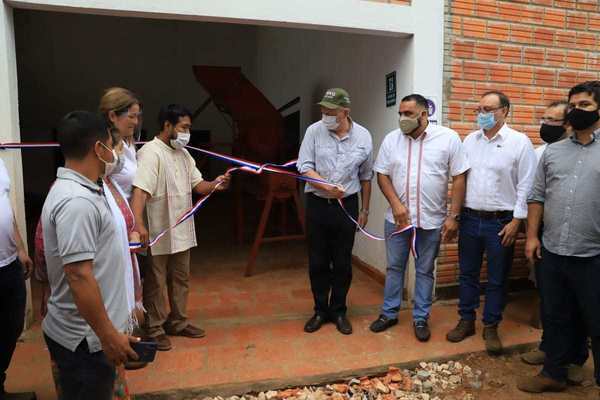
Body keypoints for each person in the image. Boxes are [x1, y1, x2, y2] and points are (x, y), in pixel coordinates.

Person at [41, 111, 139, 400]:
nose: (116, 153)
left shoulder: (91, 188)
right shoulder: (77, 202)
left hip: (95, 338)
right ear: (99, 149)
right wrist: (108, 336)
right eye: (112, 145)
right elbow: (79, 274)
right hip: (86, 342)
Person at [518, 81, 600, 394]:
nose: (576, 111)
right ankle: (553, 372)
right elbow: (537, 196)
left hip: (593, 254)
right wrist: (532, 238)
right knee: (554, 313)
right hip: (552, 250)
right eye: (573, 105)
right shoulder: (553, 152)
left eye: (585, 105)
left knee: (595, 320)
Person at [369, 94, 469, 342]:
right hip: (397, 220)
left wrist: (453, 216)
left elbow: (459, 177)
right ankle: (389, 313)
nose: (403, 118)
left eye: (408, 114)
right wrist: (396, 204)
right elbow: (381, 174)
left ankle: (420, 317)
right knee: (394, 268)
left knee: (424, 270)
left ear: (424, 115)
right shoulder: (392, 140)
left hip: (432, 220)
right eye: (400, 114)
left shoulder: (448, 138)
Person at [130, 104, 230, 351]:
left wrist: (216, 184)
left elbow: (199, 186)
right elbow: (140, 191)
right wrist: (139, 223)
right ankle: (154, 328)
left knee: (180, 278)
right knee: (155, 281)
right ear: (167, 125)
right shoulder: (150, 153)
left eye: (188, 128)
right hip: (157, 230)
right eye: (183, 127)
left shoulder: (184, 154)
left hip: (181, 229)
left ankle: (178, 322)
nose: (187, 133)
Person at [446, 90, 537, 355]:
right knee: (467, 274)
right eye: (479, 109)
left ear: (504, 111)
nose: (482, 114)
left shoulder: (519, 142)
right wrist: (455, 215)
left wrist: (517, 221)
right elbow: (460, 179)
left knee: (497, 277)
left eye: (489, 109)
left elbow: (527, 185)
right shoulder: (469, 141)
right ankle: (466, 320)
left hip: (502, 222)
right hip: (471, 219)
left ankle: (491, 325)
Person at [296, 88, 374, 335]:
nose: (325, 115)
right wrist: (326, 185)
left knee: (342, 262)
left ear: (345, 112)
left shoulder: (363, 136)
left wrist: (365, 209)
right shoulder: (314, 131)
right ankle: (320, 310)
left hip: (347, 206)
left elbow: (366, 176)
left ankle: (339, 310)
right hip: (318, 204)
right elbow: (304, 167)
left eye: (330, 111)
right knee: (318, 261)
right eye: (323, 110)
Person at [0, 157, 35, 400]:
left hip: (9, 261)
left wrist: (20, 247)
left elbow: (6, 205)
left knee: (11, 325)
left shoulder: (0, 161)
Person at [98, 87, 142, 200]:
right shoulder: (101, 148)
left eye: (137, 116)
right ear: (112, 116)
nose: (136, 122)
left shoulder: (129, 144)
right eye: (131, 116)